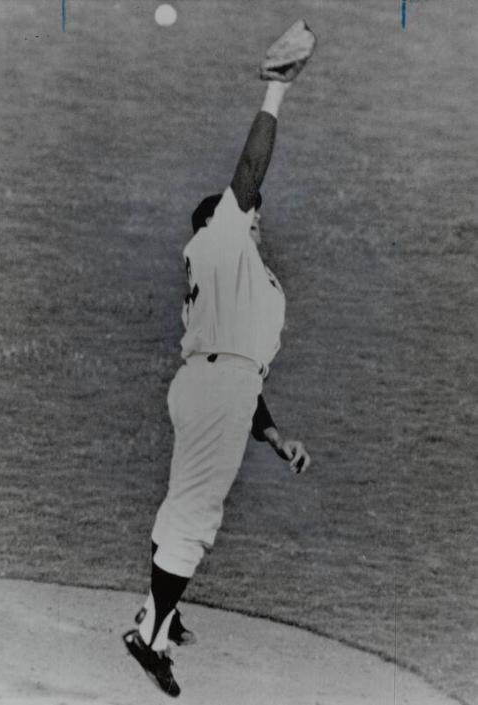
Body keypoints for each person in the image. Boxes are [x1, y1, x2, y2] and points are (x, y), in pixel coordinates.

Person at [123, 77, 311, 697]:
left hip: (218, 386)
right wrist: (275, 91)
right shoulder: (219, 240)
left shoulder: (251, 282)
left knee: (185, 501)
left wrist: (274, 434)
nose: (256, 216)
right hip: (213, 387)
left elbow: (246, 368)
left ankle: (160, 615)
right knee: (196, 515)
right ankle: (149, 634)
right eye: (246, 210)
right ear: (223, 220)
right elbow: (252, 166)